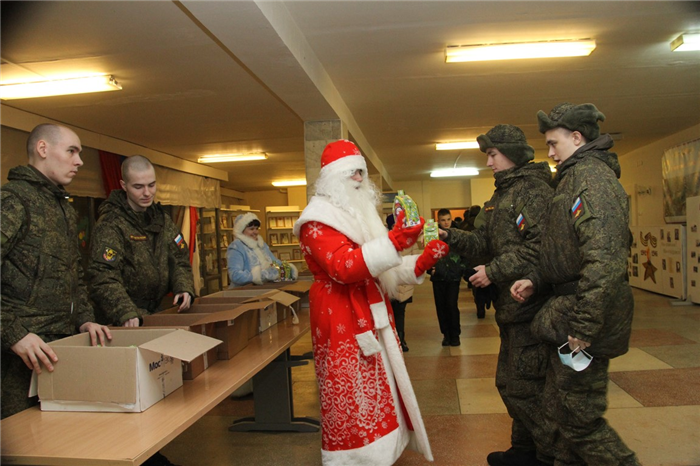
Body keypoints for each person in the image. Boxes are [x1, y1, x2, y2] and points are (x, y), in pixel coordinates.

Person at [293, 139, 448, 465]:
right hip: (340, 318)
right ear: (331, 178)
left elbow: (377, 270)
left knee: (377, 390)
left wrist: (418, 263)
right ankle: (355, 458)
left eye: (362, 172)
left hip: (367, 312)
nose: (360, 179)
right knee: (351, 396)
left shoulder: (356, 214)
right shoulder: (316, 220)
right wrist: (393, 242)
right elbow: (343, 267)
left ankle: (382, 452)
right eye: (351, 173)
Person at [511, 103, 640, 466]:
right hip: (568, 311)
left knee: (580, 419)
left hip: (585, 317)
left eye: (554, 143)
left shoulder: (593, 182)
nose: (549, 152)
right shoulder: (572, 178)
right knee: (557, 411)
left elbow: (604, 261)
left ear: (577, 138)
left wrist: (584, 327)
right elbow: (564, 249)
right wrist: (536, 279)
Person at [439, 124, 555, 466]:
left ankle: (550, 456)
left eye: (492, 155)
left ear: (512, 154)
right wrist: (449, 236)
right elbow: (483, 244)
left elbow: (539, 249)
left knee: (522, 386)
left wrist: (494, 271)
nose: (488, 162)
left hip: (531, 306)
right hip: (512, 309)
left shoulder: (533, 192)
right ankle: (524, 450)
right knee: (516, 383)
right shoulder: (501, 195)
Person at [0, 124, 112, 420]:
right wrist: (14, 334)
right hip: (17, 355)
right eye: (72, 151)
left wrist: (86, 318)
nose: (80, 161)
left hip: (58, 346)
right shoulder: (13, 201)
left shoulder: (62, 207)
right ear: (43, 149)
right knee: (21, 441)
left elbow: (74, 274)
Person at [88, 155, 195, 326]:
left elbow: (180, 259)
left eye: (151, 185)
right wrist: (125, 311)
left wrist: (183, 287)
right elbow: (103, 275)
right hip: (121, 319)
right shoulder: (111, 224)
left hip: (154, 312)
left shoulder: (162, 220)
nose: (147, 193)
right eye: (138, 187)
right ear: (124, 186)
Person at [429, 208, 468, 347]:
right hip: (438, 276)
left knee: (451, 305)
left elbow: (465, 252)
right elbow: (428, 253)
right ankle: (446, 334)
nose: (446, 223)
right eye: (443, 220)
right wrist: (430, 269)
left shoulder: (458, 235)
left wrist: (461, 269)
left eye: (448, 219)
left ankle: (455, 335)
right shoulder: (434, 235)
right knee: (441, 307)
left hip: (453, 276)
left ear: (451, 219)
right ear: (438, 221)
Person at [227, 212, 297, 287]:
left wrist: (286, 269)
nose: (256, 232)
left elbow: (274, 262)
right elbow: (235, 275)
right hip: (243, 292)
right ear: (241, 231)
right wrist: (259, 275)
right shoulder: (236, 247)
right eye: (251, 229)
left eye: (257, 228)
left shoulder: (261, 244)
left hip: (263, 290)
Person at [386, 213, 415, 352]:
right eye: (393, 226)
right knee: (389, 313)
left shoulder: (411, 241)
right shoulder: (384, 242)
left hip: (404, 283)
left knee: (400, 312)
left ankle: (401, 339)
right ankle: (393, 341)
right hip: (389, 283)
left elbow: (415, 260)